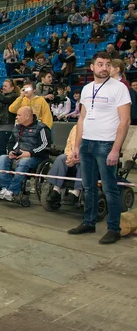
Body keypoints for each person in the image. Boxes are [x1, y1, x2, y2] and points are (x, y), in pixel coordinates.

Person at [68, 52, 131, 245]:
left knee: (110, 188)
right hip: (87, 142)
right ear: (92, 67)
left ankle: (114, 229)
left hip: (106, 145)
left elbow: (125, 121)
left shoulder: (119, 88)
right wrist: (77, 145)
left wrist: (115, 149)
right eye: (100, 64)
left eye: (107, 64)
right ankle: (89, 222)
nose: (104, 67)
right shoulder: (87, 89)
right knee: (89, 186)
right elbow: (82, 118)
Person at [0, 106, 51, 202]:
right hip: (18, 154)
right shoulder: (17, 128)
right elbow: (11, 143)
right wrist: (10, 151)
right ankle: (5, 188)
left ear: (26, 116)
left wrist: (30, 153)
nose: (16, 117)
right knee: (2, 158)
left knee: (24, 161)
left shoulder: (42, 128)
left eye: (19, 115)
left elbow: (45, 145)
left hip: (36, 157)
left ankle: (13, 190)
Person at [45, 125, 82, 207]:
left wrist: (76, 159)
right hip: (72, 156)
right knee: (61, 158)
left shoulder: (95, 128)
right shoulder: (76, 127)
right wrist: (69, 157)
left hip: (84, 158)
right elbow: (68, 144)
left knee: (85, 162)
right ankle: (56, 190)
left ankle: (76, 192)